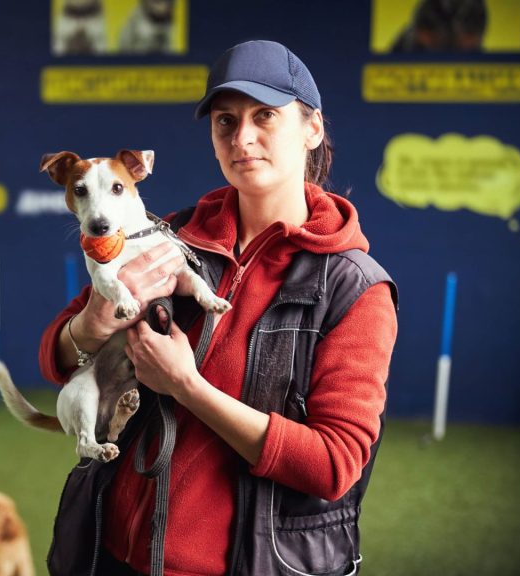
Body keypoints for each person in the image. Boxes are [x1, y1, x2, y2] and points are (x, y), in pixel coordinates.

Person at [40, 40, 398, 575]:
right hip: (111, 552)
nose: (243, 138)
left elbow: (332, 464)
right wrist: (90, 323)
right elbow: (58, 358)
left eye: (266, 117)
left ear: (312, 130)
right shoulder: (170, 233)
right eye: (226, 121)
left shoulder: (354, 288)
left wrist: (188, 387)